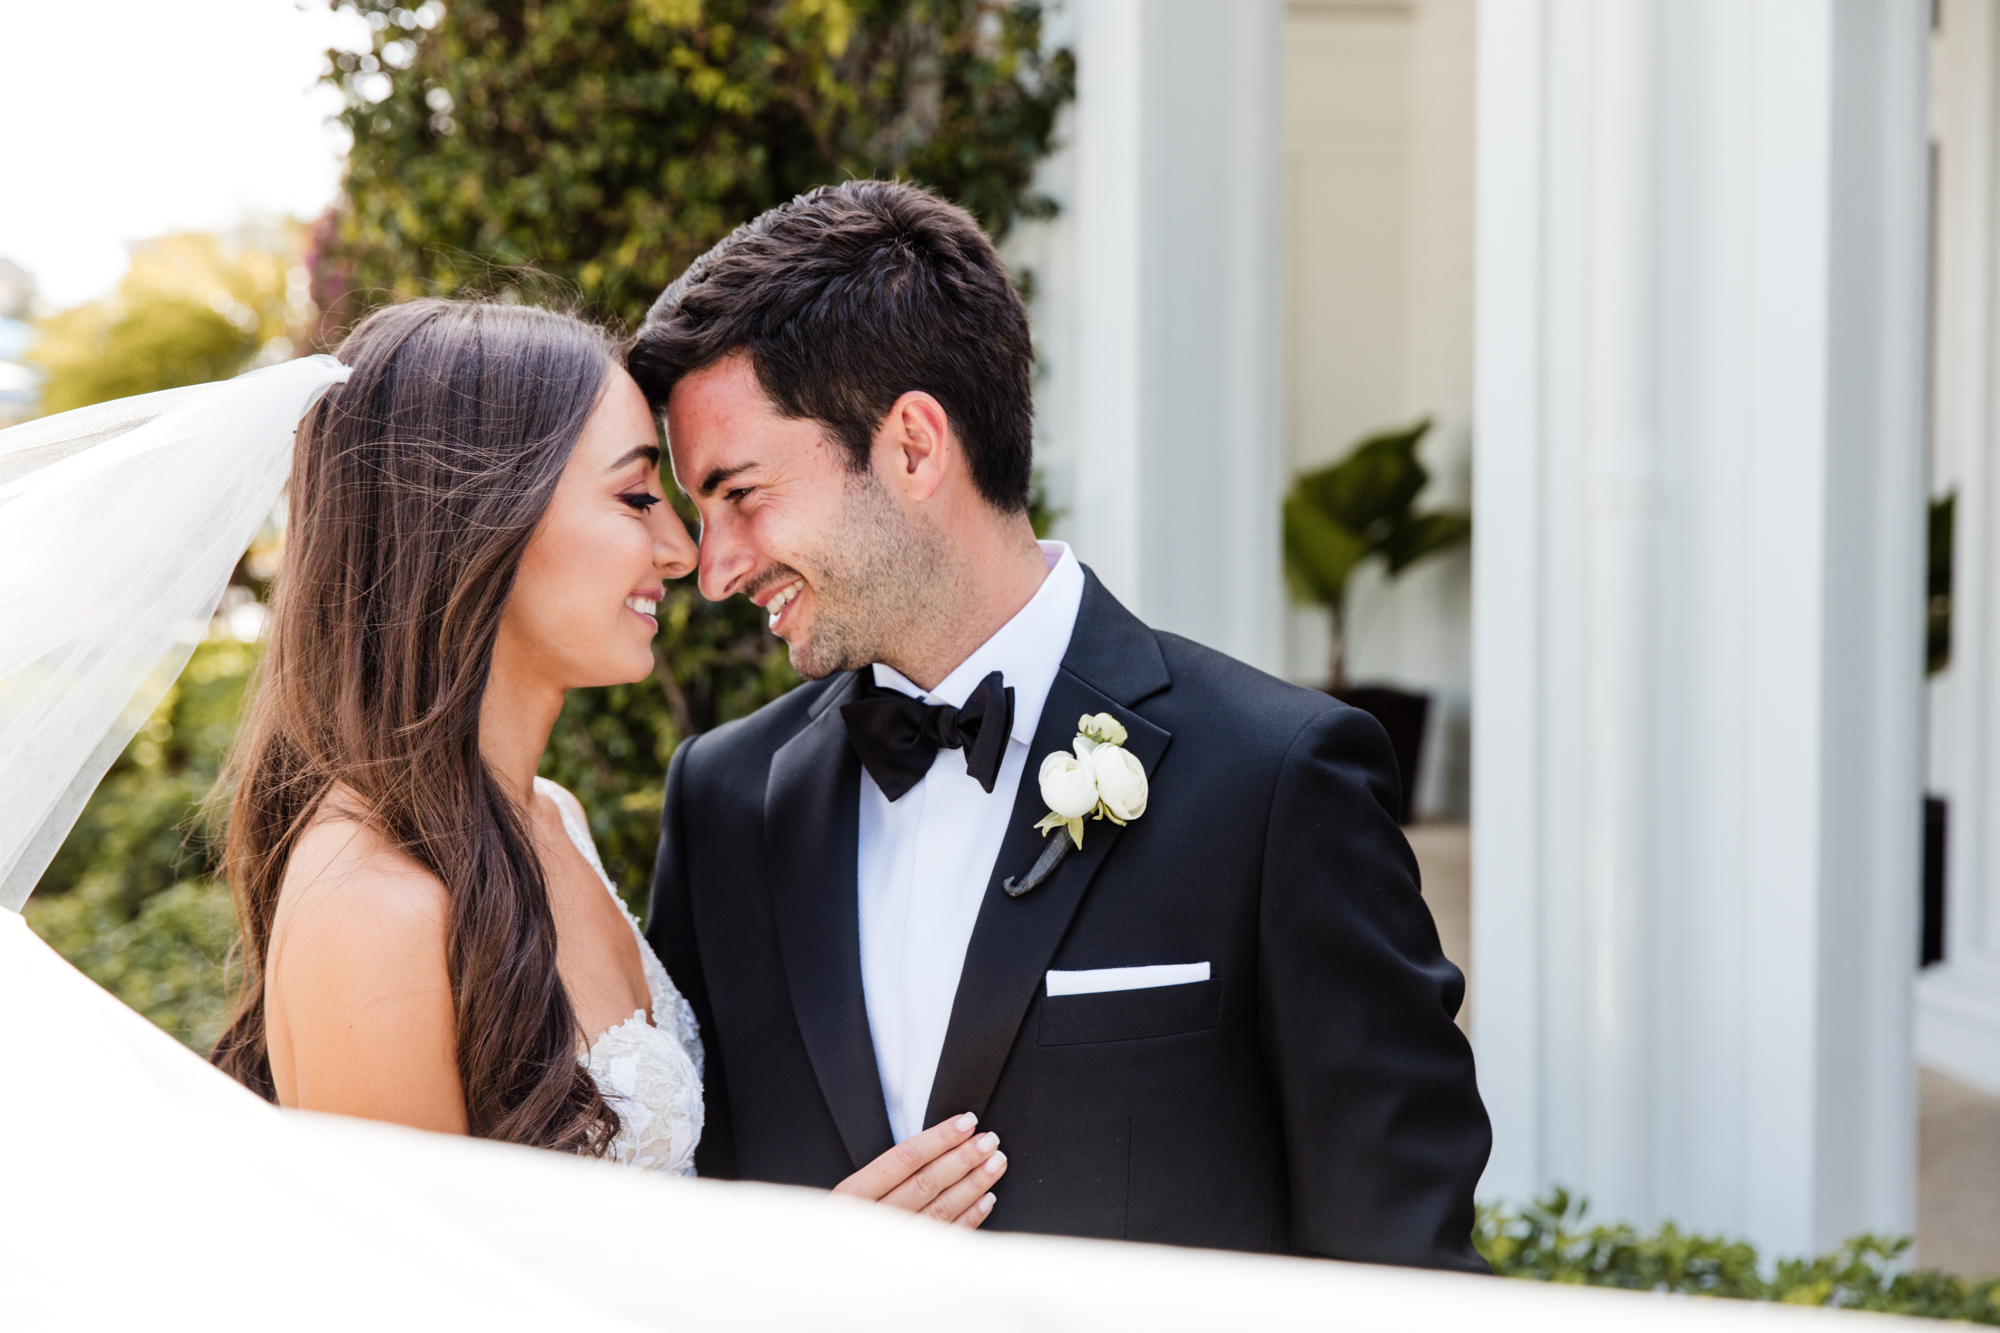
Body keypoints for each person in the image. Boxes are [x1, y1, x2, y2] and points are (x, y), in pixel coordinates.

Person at [631, 181, 1492, 1267]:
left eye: (738, 494)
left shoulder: (1275, 781)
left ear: (910, 445)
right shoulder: (722, 803)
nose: (713, 570)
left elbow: (1401, 1268)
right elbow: (675, 1236)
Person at [206, 298, 1004, 1222]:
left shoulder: (552, 817)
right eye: (636, 498)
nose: (681, 554)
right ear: (476, 523)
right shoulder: (371, 909)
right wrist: (822, 1284)